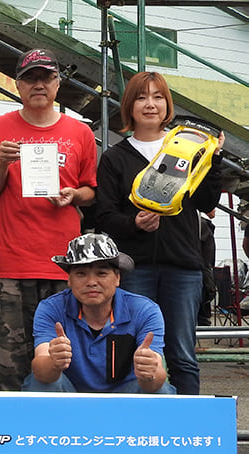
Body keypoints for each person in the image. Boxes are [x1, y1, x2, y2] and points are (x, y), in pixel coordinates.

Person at [96, 71, 224, 395]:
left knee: (182, 354)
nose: (150, 104)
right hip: (134, 268)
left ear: (167, 105)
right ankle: (133, 421)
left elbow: (207, 202)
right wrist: (134, 224)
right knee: (133, 351)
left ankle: (187, 423)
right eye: (141, 97)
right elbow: (104, 216)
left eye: (157, 97)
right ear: (129, 106)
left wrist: (214, 160)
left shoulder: (188, 148)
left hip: (183, 267)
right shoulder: (114, 158)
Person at [0, 48, 97, 391]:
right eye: (30, 78)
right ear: (18, 85)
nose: (39, 84)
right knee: (13, 368)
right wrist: (2, 163)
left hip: (64, 266)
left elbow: (91, 190)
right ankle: (18, 426)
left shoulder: (80, 133)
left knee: (67, 365)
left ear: (58, 83)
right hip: (11, 264)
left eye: (46, 77)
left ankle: (63, 426)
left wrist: (74, 195)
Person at [24, 233, 175, 394]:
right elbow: (40, 371)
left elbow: (157, 379)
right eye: (81, 274)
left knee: (161, 390)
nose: (91, 282)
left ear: (117, 278)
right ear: (69, 280)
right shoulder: (51, 308)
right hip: (70, 396)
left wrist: (149, 372)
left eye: (101, 273)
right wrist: (53, 362)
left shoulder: (145, 310)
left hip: (127, 395)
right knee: (40, 384)